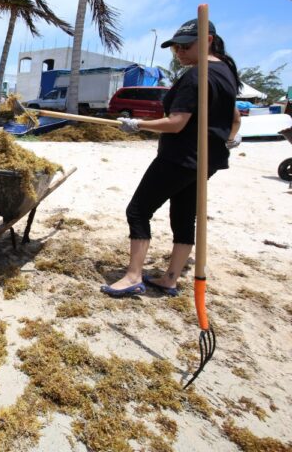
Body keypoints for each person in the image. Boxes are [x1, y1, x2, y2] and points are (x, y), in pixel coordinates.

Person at [101, 19, 242, 297]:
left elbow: (176, 123)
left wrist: (138, 124)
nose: (179, 52)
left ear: (208, 40)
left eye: (186, 46)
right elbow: (235, 118)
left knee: (138, 210)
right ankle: (170, 278)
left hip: (180, 157)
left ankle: (132, 276)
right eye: (175, 47)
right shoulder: (226, 72)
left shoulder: (196, 76)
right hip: (206, 160)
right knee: (184, 215)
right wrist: (230, 138)